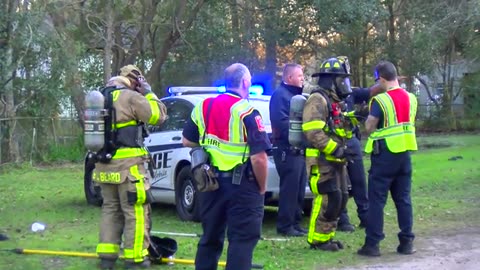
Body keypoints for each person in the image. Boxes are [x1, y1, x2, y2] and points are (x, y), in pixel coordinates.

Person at [182, 63, 270, 270]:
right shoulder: (247, 111)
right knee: (242, 240)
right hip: (242, 186)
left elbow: (187, 141)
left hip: (210, 183)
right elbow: (259, 159)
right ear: (245, 82)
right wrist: (262, 187)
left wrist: (211, 146)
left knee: (210, 238)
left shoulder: (203, 106)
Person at [94, 65, 167, 269]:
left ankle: (107, 258)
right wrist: (149, 93)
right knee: (135, 212)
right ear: (135, 81)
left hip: (104, 167)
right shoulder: (130, 96)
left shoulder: (100, 97)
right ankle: (135, 259)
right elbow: (157, 116)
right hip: (129, 169)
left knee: (110, 209)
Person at [357, 60, 418, 257]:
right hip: (404, 154)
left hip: (384, 155)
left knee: (376, 200)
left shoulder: (381, 101)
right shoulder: (411, 98)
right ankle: (406, 242)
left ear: (382, 79)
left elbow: (370, 126)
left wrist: (363, 116)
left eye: (377, 80)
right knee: (403, 199)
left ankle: (372, 244)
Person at [302, 56, 356, 251]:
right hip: (321, 159)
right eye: (342, 80)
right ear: (330, 80)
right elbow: (313, 132)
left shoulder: (334, 102)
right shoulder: (317, 99)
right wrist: (336, 148)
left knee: (339, 200)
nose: (345, 85)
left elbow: (338, 129)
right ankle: (316, 240)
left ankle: (327, 237)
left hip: (336, 160)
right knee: (326, 198)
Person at [337, 84, 384, 232]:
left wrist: (385, 81)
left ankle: (365, 217)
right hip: (336, 143)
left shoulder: (351, 93)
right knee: (340, 183)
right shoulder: (325, 95)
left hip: (352, 141)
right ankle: (343, 220)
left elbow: (371, 91)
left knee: (359, 181)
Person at [269, 63, 308, 237]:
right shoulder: (280, 96)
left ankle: (296, 223)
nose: (303, 79)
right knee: (290, 189)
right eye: (300, 76)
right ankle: (285, 226)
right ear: (290, 77)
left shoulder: (297, 97)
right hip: (286, 148)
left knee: (299, 188)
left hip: (298, 149)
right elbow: (281, 122)